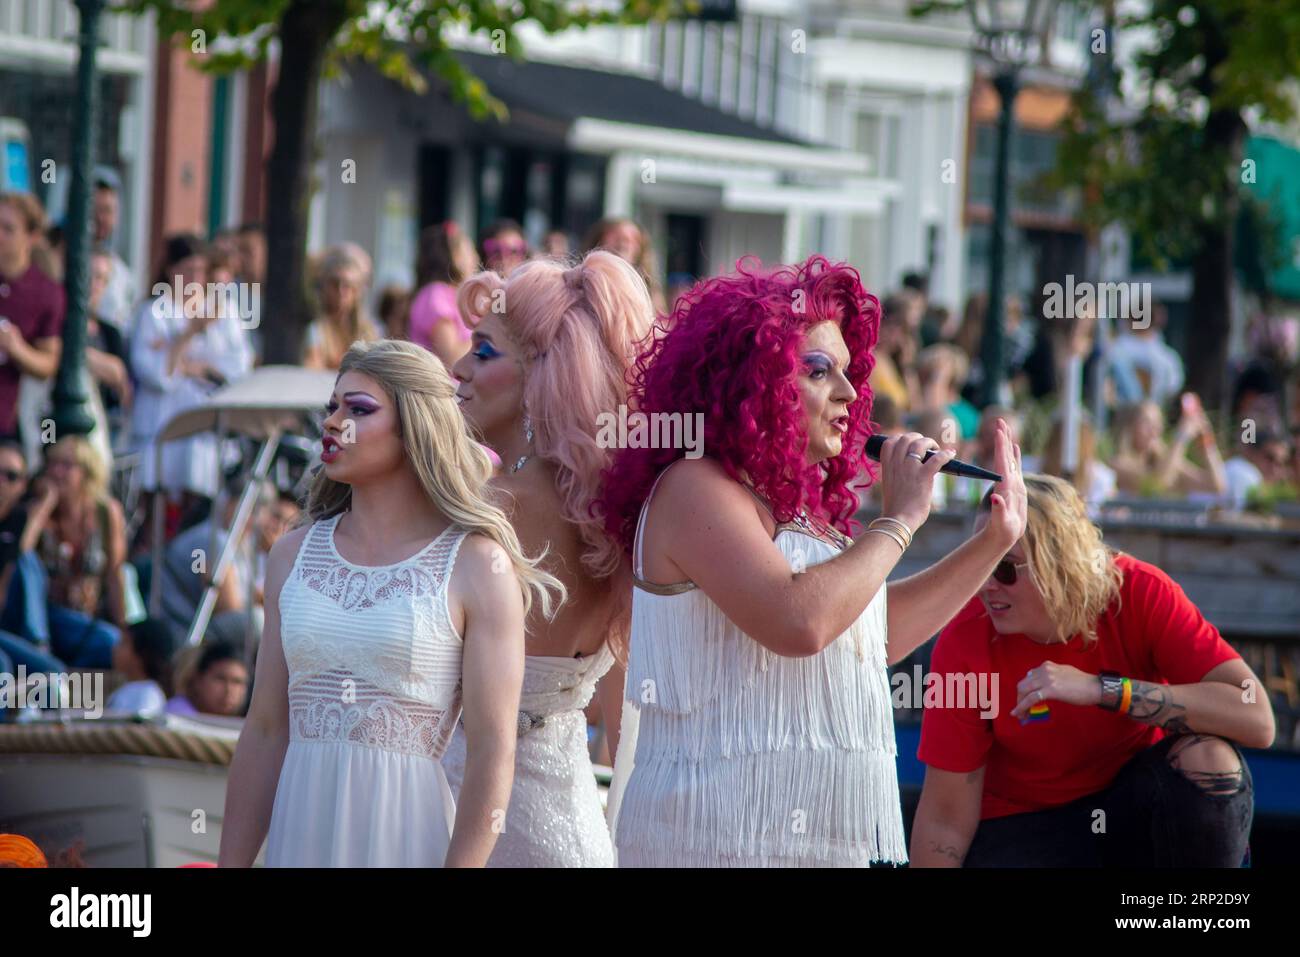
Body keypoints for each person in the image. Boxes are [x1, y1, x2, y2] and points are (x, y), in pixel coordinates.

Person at [597, 255, 1027, 867]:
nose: (849, 394)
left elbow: (871, 635)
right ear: (751, 379)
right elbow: (799, 621)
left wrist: (992, 542)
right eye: (819, 371)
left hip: (809, 840)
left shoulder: (799, 506)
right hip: (713, 838)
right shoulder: (696, 487)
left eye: (849, 373)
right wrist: (899, 520)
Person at [219, 339, 564, 868]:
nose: (333, 422)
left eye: (358, 409)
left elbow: (492, 752)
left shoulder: (477, 565)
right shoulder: (291, 555)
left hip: (408, 842)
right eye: (332, 407)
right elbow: (267, 728)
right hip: (299, 840)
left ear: (414, 428)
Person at [911, 474, 1273, 866]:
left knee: (1211, 762)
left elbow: (1256, 718)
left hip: (1127, 806)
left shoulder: (1139, 591)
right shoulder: (965, 636)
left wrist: (1104, 690)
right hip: (1023, 824)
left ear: (1060, 564)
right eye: (979, 562)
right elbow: (945, 819)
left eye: (1005, 568)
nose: (984, 585)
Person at [444, 249, 654, 866]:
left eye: (483, 351)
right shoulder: (619, 519)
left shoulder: (481, 511)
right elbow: (625, 724)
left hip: (472, 826)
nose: (457, 367)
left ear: (544, 375)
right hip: (575, 828)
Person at [129, 234, 254, 511]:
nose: (194, 278)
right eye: (187, 271)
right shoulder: (153, 313)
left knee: (197, 503)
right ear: (171, 271)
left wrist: (189, 363)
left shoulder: (222, 311)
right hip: (161, 424)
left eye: (199, 271)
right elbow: (156, 375)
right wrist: (188, 335)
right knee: (156, 505)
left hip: (203, 430)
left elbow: (236, 368)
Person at [19, 436, 128, 669]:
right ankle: (41, 650)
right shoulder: (39, 512)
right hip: (45, 618)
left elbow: (115, 574)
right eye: (52, 464)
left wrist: (125, 627)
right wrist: (46, 504)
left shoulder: (105, 512)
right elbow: (22, 553)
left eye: (66, 465)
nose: (57, 472)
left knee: (112, 642)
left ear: (87, 472)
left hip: (87, 620)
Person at [0, 192, 64, 444]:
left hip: (8, 418)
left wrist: (16, 348)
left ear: (32, 237)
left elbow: (49, 362)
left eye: (8, 229)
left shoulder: (45, 291)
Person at [1111, 396, 1226, 497]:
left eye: (1157, 423)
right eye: (1146, 423)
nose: (1154, 430)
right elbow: (1156, 485)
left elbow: (1215, 487)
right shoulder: (1117, 464)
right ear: (1129, 428)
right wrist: (1181, 437)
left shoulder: (1165, 463)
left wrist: (1206, 441)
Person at [408, 221, 478, 367]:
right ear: (456, 257)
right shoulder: (436, 294)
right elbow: (452, 356)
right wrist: (487, 335)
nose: (476, 258)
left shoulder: (443, 293)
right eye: (470, 252)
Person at [302, 244, 381, 370]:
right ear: (323, 286)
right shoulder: (315, 328)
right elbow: (313, 369)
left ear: (357, 290)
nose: (341, 291)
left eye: (348, 285)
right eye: (334, 283)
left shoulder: (370, 330)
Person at [582, 216, 667, 314]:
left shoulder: (651, 291)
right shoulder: (582, 280)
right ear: (600, 240)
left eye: (634, 239)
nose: (625, 242)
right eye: (617, 236)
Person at [90, 173, 137, 335]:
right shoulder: (61, 259)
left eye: (107, 211)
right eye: (95, 209)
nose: (100, 218)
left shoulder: (122, 274)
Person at [106, 618, 176, 716]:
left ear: (143, 654)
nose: (115, 649)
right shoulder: (125, 690)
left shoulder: (148, 696)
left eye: (124, 643)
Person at [166, 639, 249, 718]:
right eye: (220, 679)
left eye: (237, 682)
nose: (229, 690)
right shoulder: (176, 716)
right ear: (198, 680)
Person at [1221, 429, 1291, 511]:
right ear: (1251, 452)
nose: (1275, 468)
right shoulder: (1244, 473)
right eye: (1269, 458)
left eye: (1281, 463)